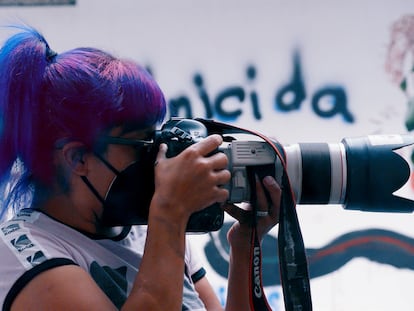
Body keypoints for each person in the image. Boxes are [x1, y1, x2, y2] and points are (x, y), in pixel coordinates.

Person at [0, 25, 281, 311]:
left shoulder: (148, 232)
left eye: (156, 137)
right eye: (141, 143)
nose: (156, 155)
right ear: (78, 158)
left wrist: (245, 247)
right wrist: (170, 214)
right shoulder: (25, 256)